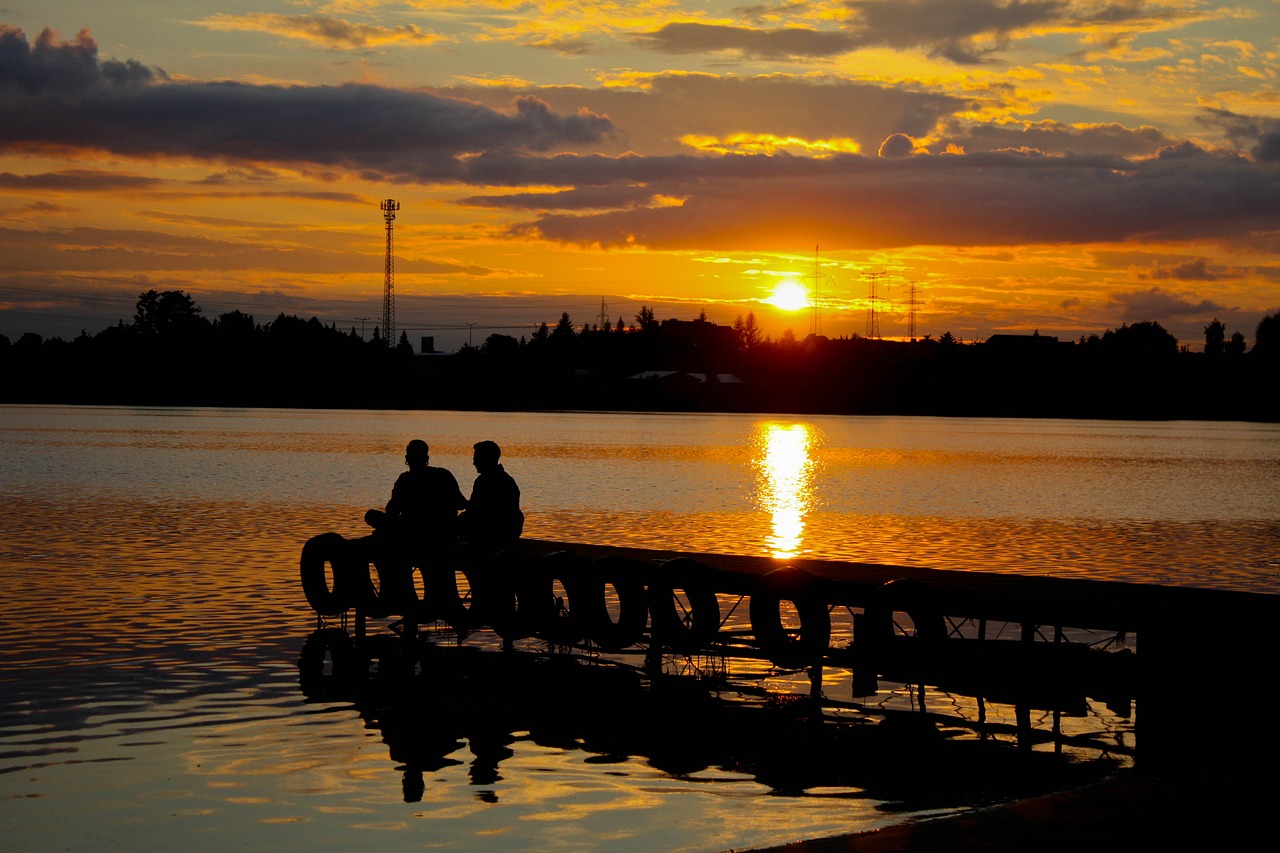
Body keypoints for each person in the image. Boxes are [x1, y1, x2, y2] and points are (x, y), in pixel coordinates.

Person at [365, 439, 467, 554]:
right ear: (426, 459)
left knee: (371, 515)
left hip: (412, 531)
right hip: (443, 531)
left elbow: (392, 511)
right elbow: (461, 504)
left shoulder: (404, 480)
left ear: (407, 459)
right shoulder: (443, 474)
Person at [458, 440, 524, 549]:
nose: (474, 462)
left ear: (486, 459)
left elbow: (478, 511)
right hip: (508, 533)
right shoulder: (507, 479)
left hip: (492, 535)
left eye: (476, 458)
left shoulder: (484, 481)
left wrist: (464, 505)